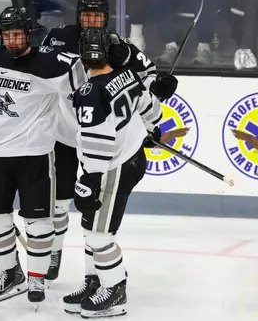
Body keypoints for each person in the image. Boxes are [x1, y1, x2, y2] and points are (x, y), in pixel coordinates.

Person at [39, 0, 178, 283]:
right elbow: (46, 75)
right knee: (58, 203)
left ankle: (94, 276)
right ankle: (54, 253)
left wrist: (160, 86)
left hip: (102, 144)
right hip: (64, 137)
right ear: (79, 15)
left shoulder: (118, 46)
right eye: (87, 16)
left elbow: (147, 80)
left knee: (93, 215)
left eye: (97, 16)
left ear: (105, 17)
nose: (91, 22)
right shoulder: (58, 37)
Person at [0, 6, 88, 307]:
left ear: (29, 34)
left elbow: (87, 81)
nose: (12, 40)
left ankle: (36, 276)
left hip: (35, 155)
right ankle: (10, 273)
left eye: (18, 33)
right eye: (7, 34)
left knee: (38, 221)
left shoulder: (52, 63)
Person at [67, 27, 164, 318]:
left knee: (98, 233)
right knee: (93, 227)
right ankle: (96, 280)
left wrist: (90, 179)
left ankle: (114, 290)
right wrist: (151, 128)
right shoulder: (128, 74)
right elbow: (153, 110)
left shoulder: (89, 92)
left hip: (113, 166)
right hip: (132, 159)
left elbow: (99, 141)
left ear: (82, 57)